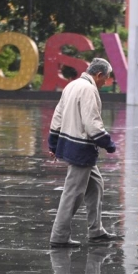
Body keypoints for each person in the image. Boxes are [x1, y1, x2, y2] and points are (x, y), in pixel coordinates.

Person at [47, 58, 120, 248]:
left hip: (70, 143)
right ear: (98, 75)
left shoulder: (73, 85)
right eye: (106, 78)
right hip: (81, 147)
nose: (106, 82)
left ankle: (96, 231)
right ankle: (59, 236)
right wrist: (108, 143)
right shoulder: (88, 89)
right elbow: (92, 123)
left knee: (96, 185)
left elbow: (58, 115)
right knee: (73, 193)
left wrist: (53, 143)